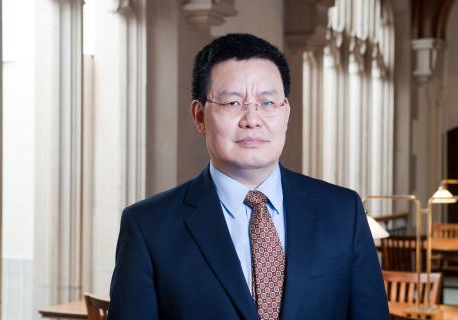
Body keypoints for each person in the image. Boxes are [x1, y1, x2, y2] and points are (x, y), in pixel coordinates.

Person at [108, 33, 389, 320]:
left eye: (267, 103)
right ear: (199, 116)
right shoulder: (148, 227)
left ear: (286, 112)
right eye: (232, 103)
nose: (252, 119)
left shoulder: (343, 212)